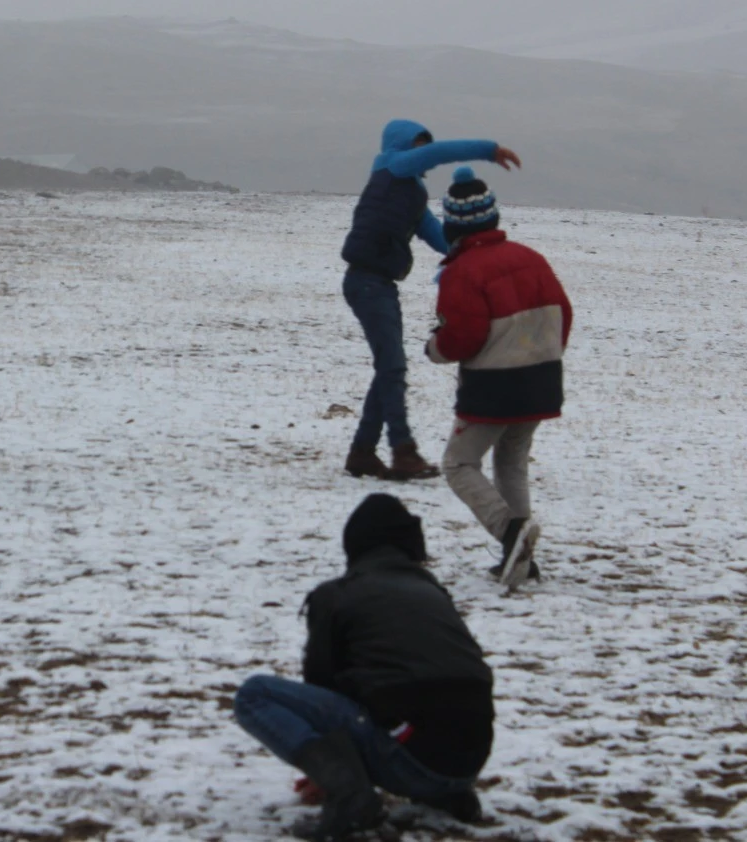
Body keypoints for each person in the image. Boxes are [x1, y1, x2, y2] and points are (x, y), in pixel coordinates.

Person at [234, 493, 494, 840]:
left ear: (354, 545)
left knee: (255, 694)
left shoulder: (337, 595)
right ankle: (447, 793)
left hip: (411, 758)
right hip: (469, 761)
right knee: (422, 701)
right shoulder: (431, 591)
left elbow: (321, 691)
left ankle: (351, 798)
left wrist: (330, 773)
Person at [340, 120, 522, 481]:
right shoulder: (391, 166)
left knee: (389, 368)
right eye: (416, 147)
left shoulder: (412, 196)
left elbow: (440, 240)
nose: (423, 154)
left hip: (381, 284)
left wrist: (478, 250)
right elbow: (441, 153)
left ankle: (362, 452)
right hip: (365, 281)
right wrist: (488, 149)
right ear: (401, 147)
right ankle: (403, 451)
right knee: (392, 367)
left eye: (424, 146)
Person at [427, 168, 572, 590]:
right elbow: (563, 313)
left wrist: (434, 347)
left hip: (493, 387)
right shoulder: (532, 258)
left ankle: (510, 535)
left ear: (453, 223)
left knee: (458, 464)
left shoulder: (463, 271)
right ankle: (523, 563)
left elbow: (462, 337)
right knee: (511, 463)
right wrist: (544, 357)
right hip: (541, 380)